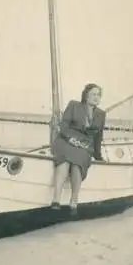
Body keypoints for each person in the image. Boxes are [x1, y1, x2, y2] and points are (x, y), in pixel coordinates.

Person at [50, 83, 106, 215]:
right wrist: (71, 139)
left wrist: (98, 155)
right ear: (86, 95)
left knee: (78, 160)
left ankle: (74, 199)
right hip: (65, 139)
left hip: (85, 144)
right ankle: (56, 199)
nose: (96, 97)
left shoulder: (101, 114)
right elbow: (63, 126)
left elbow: (98, 136)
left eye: (98, 95)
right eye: (93, 94)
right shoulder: (74, 105)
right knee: (65, 158)